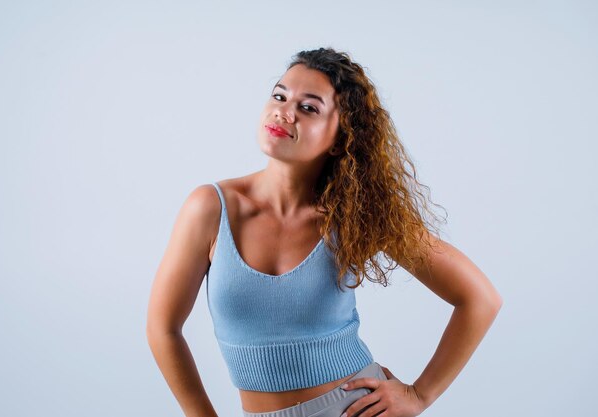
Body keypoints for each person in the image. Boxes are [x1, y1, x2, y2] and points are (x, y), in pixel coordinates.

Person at [146, 47, 503, 417]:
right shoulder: (211, 208)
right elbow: (163, 328)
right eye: (280, 95)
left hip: (352, 408)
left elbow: (479, 298)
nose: (284, 111)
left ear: (339, 138)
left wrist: (418, 395)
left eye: (308, 108)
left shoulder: (355, 213)